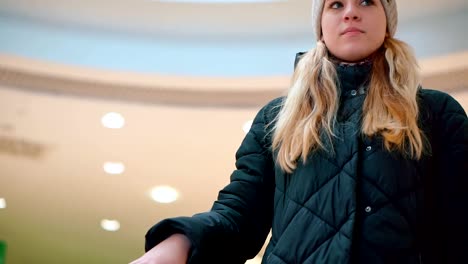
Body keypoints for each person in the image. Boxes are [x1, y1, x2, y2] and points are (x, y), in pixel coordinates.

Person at [130, 0, 468, 263]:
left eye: (367, 1)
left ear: (388, 20)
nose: (350, 12)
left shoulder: (436, 113)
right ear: (321, 23)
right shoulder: (277, 118)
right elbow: (239, 214)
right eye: (335, 5)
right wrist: (179, 242)